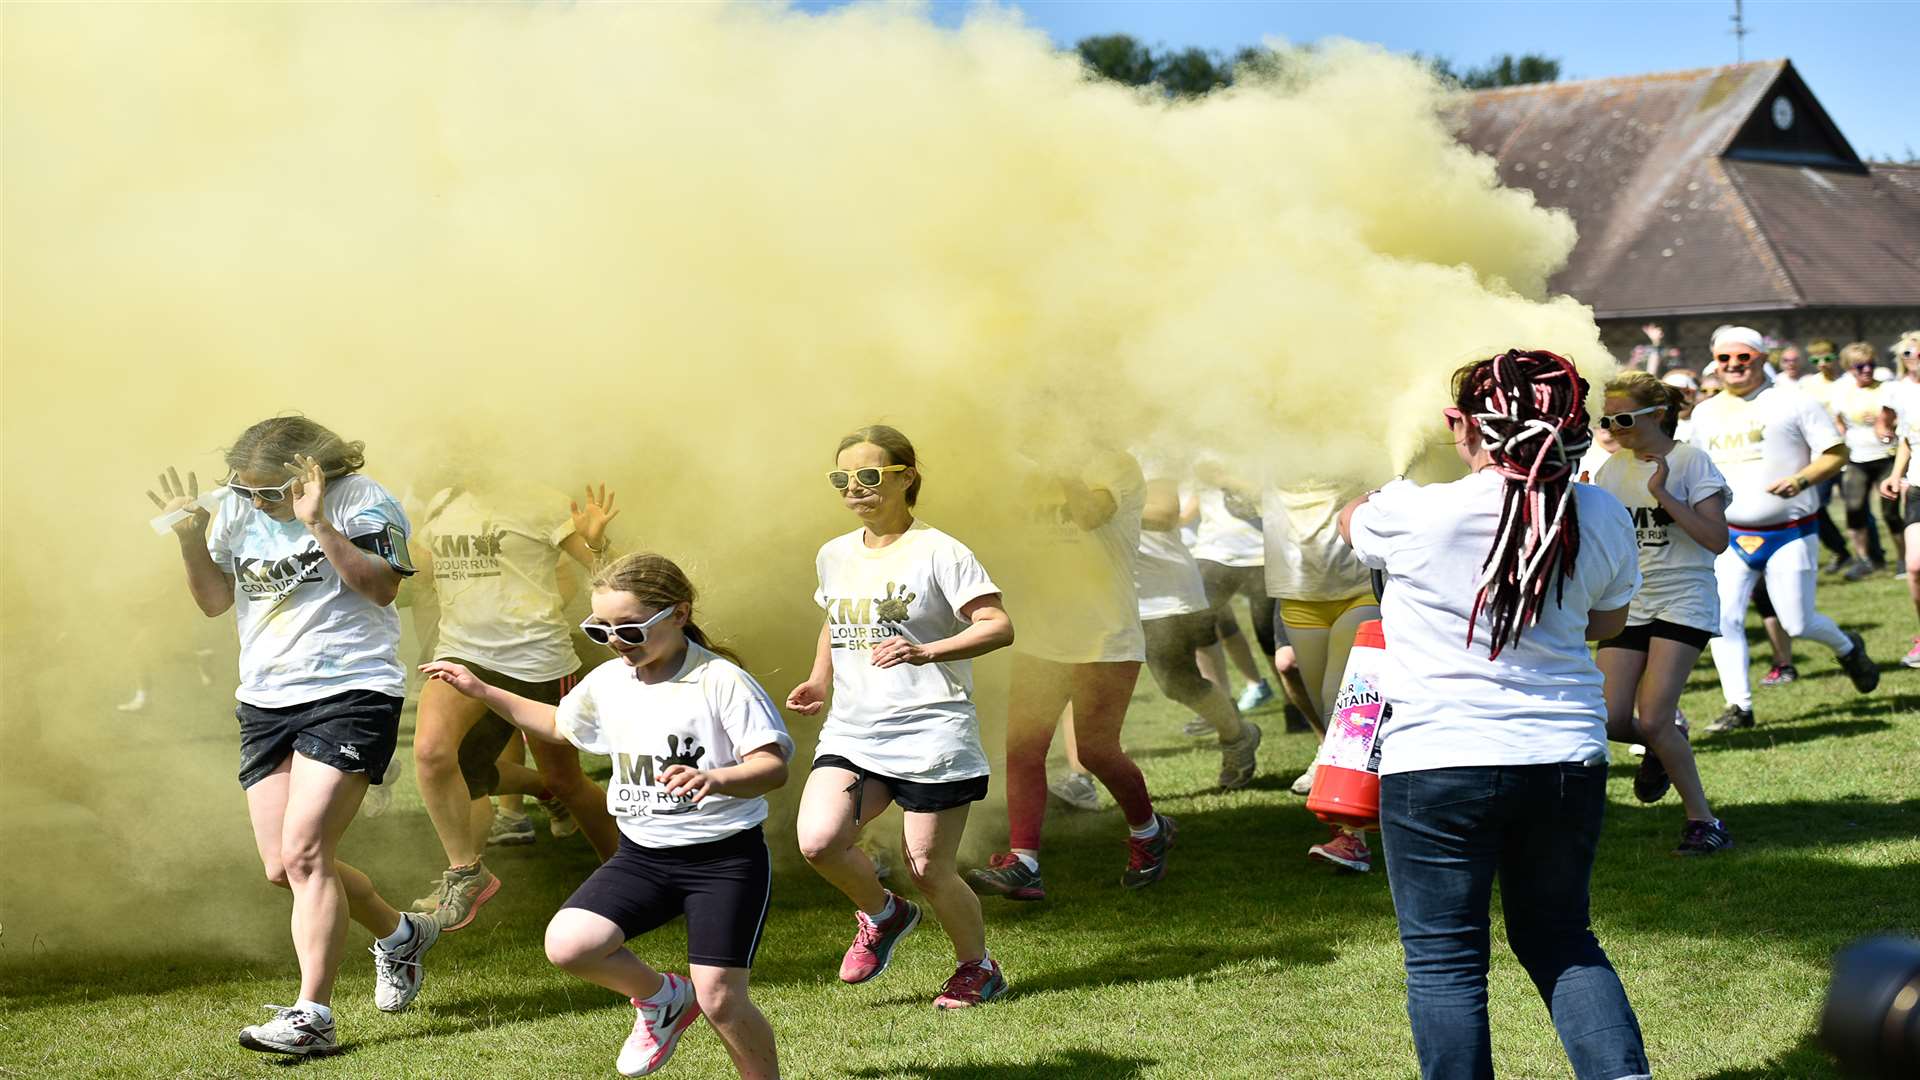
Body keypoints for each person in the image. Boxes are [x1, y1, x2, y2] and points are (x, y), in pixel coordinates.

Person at [1342, 348, 1650, 1080]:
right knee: (1562, 939)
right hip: (1564, 753)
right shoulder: (1601, 510)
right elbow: (1608, 625)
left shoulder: (1415, 510)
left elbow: (1351, 517)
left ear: (1465, 425)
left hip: (1438, 759)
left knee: (1444, 959)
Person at [422, 553, 789, 1079]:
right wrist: (482, 690)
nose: (617, 641)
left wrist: (717, 778)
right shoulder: (611, 680)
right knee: (570, 944)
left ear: (679, 614)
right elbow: (556, 724)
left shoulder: (720, 680)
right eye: (602, 630)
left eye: (632, 629)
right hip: (641, 856)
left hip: (722, 859)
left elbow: (771, 766)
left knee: (721, 1000)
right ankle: (663, 1000)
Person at [147, 417, 438, 1058]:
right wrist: (191, 538)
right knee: (285, 868)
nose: (254, 503)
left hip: (352, 690)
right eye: (243, 490)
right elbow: (216, 602)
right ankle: (401, 935)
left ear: (312, 472)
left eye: (268, 492)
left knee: (308, 853)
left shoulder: (363, 499)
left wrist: (315, 522)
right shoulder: (230, 508)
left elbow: (383, 589)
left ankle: (314, 1016)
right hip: (265, 699)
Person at [785, 425, 1017, 1009]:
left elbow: (997, 625)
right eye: (842, 479)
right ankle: (883, 916)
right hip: (853, 730)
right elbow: (836, 620)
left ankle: (977, 968)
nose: (854, 489)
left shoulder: (942, 550)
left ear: (906, 476)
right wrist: (820, 678)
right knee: (818, 841)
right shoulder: (834, 553)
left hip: (932, 730)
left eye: (868, 476)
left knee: (928, 868)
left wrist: (926, 650)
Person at [408, 481, 623, 931]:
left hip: (537, 660)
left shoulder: (540, 502)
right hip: (462, 653)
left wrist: (597, 540)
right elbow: (418, 574)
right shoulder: (441, 502)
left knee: (566, 782)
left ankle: (630, 876)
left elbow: (606, 574)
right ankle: (465, 873)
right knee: (433, 755)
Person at [966, 444, 1175, 901]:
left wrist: (1061, 471)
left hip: (1104, 636)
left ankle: (1148, 831)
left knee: (1097, 750)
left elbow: (1089, 514)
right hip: (1041, 637)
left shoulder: (1115, 464)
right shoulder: (1027, 472)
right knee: (1022, 748)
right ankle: (1024, 862)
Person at [1688, 327, 1879, 733]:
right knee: (1723, 620)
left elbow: (1836, 453)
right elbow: (1697, 470)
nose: (1734, 366)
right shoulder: (1705, 413)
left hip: (1792, 529)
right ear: (1715, 362)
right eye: (1725, 359)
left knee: (1797, 623)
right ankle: (1739, 706)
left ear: (1761, 357)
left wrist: (1802, 480)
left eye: (1743, 357)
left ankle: (1848, 648)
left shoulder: (1793, 401)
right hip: (1731, 535)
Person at [1586, 373, 1734, 855]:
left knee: (1651, 718)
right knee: (1608, 719)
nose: (1614, 427)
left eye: (1623, 418)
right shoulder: (1610, 469)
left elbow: (1716, 540)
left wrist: (1664, 494)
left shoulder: (1691, 462)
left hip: (1683, 598)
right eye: (1607, 419)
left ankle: (1704, 822)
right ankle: (1665, 738)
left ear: (1658, 415)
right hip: (1631, 600)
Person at [1263, 479, 1383, 872]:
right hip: (1299, 594)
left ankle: (1353, 837)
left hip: (1359, 586)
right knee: (1331, 717)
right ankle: (1368, 820)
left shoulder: (1349, 428)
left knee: (1342, 704)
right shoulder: (1262, 437)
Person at [1131, 454, 1263, 789]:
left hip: (1161, 592)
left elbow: (1165, 513)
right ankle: (1080, 777)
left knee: (1177, 682)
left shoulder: (1147, 447)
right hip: (1108, 589)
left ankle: (1237, 735)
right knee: (1078, 679)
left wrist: (1099, 506)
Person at [1876, 333, 1920, 666]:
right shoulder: (1903, 392)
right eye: (1908, 351)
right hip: (1918, 486)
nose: (1915, 355)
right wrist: (1895, 474)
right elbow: (1907, 437)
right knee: (1915, 566)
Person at [1795, 340, 1856, 570]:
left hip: (1852, 453)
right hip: (1823, 455)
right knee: (1817, 505)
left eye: (1827, 358)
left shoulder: (1847, 383)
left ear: (1836, 358)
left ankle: (1871, 556)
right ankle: (1840, 551)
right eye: (1815, 360)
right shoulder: (1807, 386)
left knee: (1857, 507)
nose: (1822, 364)